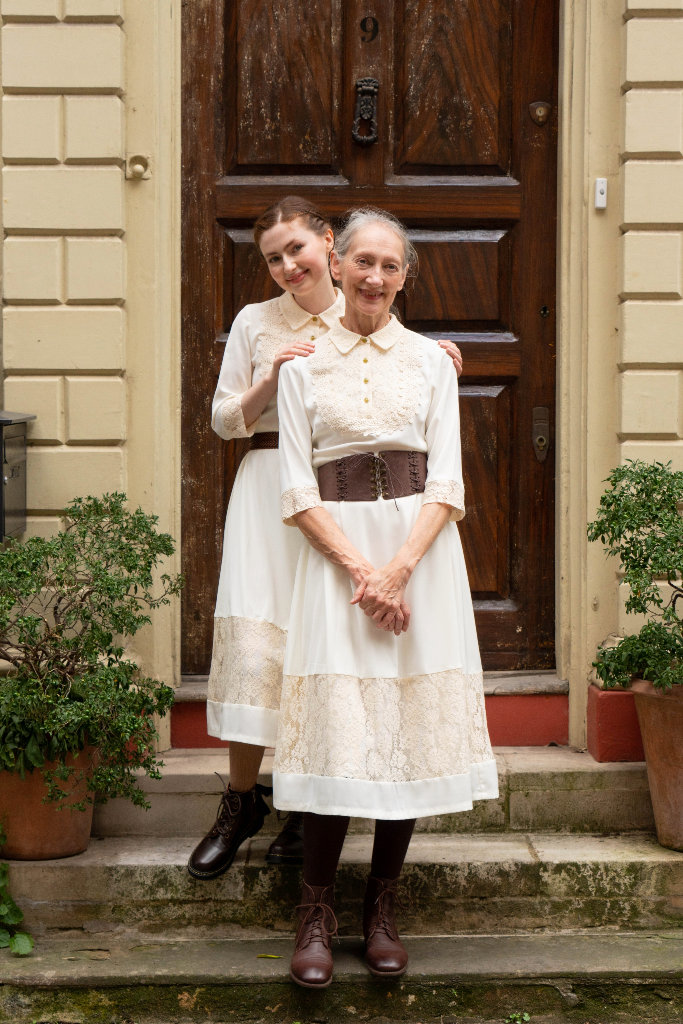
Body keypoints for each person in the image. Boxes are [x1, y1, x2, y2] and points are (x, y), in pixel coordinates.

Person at [188, 196, 466, 880]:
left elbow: (392, 378)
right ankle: (241, 797)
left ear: (327, 250)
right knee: (265, 647)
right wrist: (269, 377)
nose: (287, 265)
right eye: (273, 258)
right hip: (273, 487)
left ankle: (302, 801)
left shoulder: (364, 308)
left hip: (355, 500)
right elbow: (225, 419)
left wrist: (441, 354)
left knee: (330, 646)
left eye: (296, 250)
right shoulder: (258, 322)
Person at [274, 207, 498, 988]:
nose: (373, 277)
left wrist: (398, 570)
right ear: (337, 267)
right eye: (361, 261)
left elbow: (447, 481)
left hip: (421, 559)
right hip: (333, 564)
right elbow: (296, 487)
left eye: (389, 266)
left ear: (405, 276)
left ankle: (380, 907)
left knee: (401, 726)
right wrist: (361, 573)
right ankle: (313, 913)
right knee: (339, 734)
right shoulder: (299, 366)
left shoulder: (434, 363)